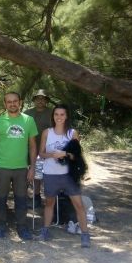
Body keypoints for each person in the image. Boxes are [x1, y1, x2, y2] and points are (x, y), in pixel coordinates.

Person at [38, 105, 91, 247]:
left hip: (68, 175)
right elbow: (41, 153)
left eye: (62, 114)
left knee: (78, 205)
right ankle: (45, 230)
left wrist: (65, 154)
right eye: (56, 114)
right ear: (53, 116)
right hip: (50, 174)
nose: (59, 117)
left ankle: (85, 235)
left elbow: (77, 156)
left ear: (66, 116)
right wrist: (52, 155)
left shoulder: (72, 133)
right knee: (49, 203)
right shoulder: (46, 133)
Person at [0, 91, 38, 240]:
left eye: (15, 101)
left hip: (22, 168)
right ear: (5, 104)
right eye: (9, 102)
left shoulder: (28, 120)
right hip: (2, 167)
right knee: (0, 198)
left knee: (21, 199)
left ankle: (22, 227)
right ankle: (0, 226)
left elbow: (33, 147)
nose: (12, 104)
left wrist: (32, 168)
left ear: (20, 102)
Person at [24, 89, 53, 205]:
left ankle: (51, 197)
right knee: (29, 172)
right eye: (38, 98)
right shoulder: (27, 113)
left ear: (46, 100)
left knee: (47, 173)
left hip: (46, 149)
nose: (40, 101)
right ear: (34, 100)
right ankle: (34, 197)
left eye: (43, 98)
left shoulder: (52, 113)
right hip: (28, 147)